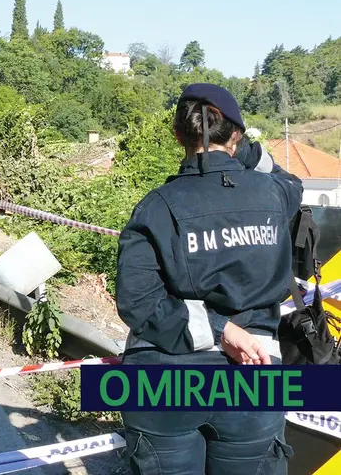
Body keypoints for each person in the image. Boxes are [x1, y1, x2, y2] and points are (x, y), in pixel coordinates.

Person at [116, 83, 302, 475]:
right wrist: (241, 146)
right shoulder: (276, 194)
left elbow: (138, 301)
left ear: (176, 135)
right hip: (255, 373)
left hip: (163, 378)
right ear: (235, 133)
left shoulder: (155, 207)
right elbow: (287, 177)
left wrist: (220, 331)